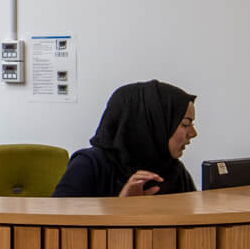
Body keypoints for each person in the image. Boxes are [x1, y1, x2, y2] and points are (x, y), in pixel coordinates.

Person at [53, 80, 199, 197]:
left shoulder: (174, 171)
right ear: (153, 123)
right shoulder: (90, 165)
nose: (193, 133)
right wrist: (120, 207)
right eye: (185, 124)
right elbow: (57, 226)